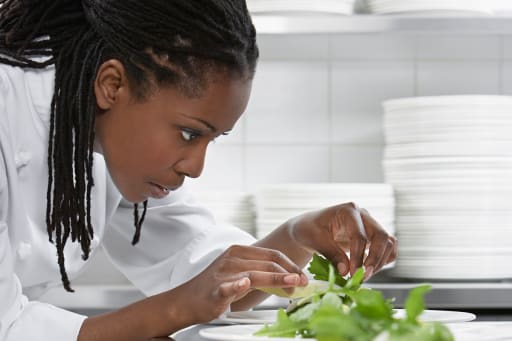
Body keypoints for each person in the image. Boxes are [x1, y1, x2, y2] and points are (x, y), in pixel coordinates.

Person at [0, 0, 397, 340]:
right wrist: (174, 311)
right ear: (112, 85)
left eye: (212, 139)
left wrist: (299, 234)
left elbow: (210, 280)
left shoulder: (106, 133)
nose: (196, 167)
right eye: (189, 133)